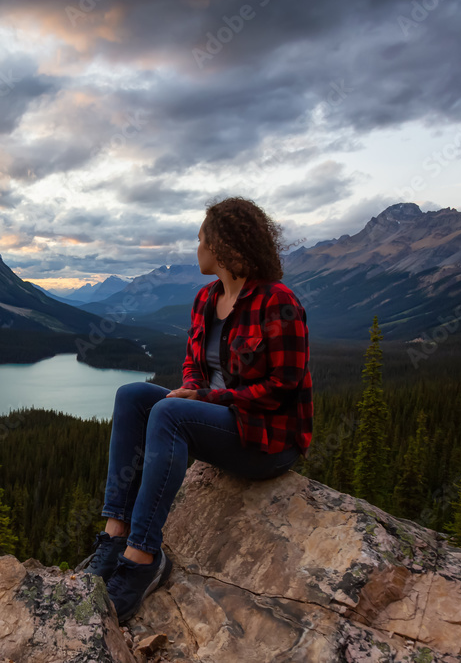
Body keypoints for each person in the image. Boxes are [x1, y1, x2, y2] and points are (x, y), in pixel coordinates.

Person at [78, 197, 314, 625]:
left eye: (202, 238)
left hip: (265, 441)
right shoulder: (207, 298)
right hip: (217, 423)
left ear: (223, 246)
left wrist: (204, 400)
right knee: (132, 395)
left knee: (170, 414)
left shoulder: (278, 302)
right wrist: (190, 387)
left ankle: (143, 557)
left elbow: (283, 388)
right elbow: (193, 363)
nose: (197, 246)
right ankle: (115, 536)